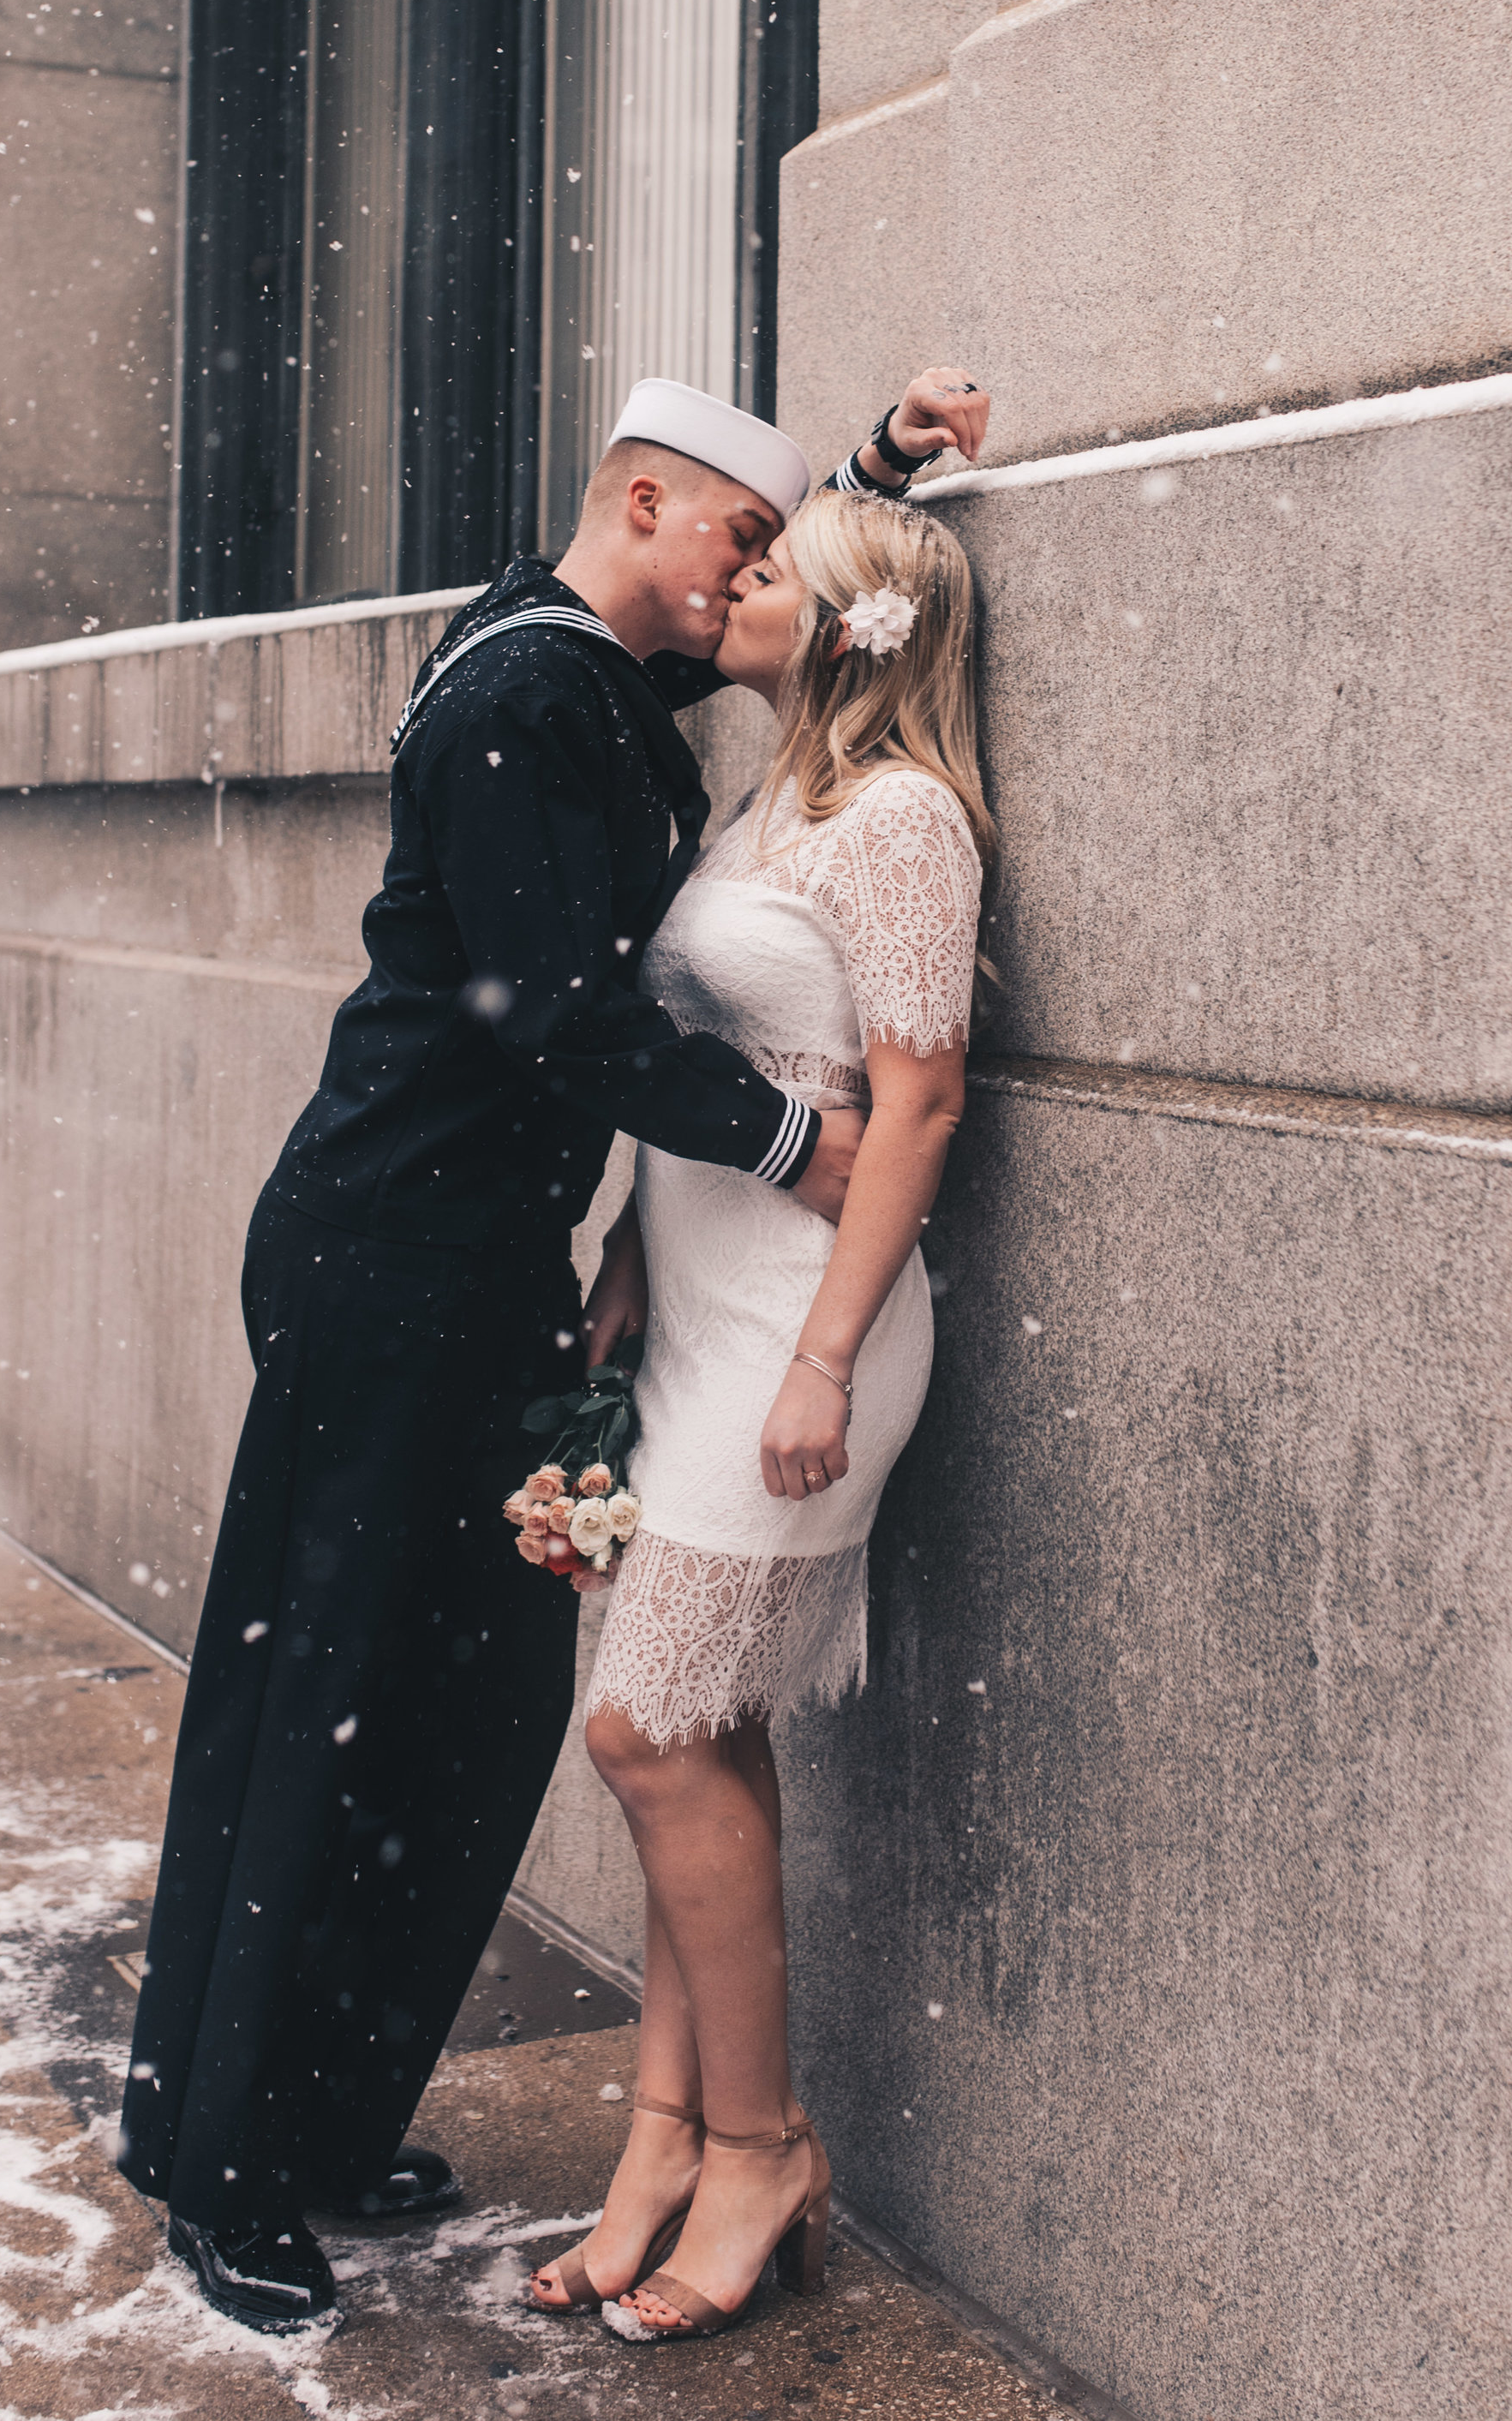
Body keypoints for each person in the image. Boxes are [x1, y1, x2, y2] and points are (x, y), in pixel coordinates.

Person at [117, 366, 989, 2334]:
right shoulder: (527, 690)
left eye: (775, 559)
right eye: (738, 540)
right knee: (338, 1692)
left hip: (471, 1268)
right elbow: (549, 1012)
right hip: (393, 1262)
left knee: (450, 1707)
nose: (751, 580)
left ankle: (316, 2114)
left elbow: (788, 652)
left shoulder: (563, 659)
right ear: (646, 506)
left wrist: (860, 486)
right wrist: (787, 1137)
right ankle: (229, 2162)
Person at [525, 481, 992, 2341]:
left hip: (813, 1336)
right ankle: (665, 2142)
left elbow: (924, 1105)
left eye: (774, 564)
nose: (736, 577)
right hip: (698, 1310)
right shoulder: (758, 797)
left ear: (857, 621)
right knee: (697, 1742)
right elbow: (700, 1064)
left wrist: (817, 1357)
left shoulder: (898, 822)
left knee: (640, 1735)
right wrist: (633, 1266)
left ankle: (764, 2142)